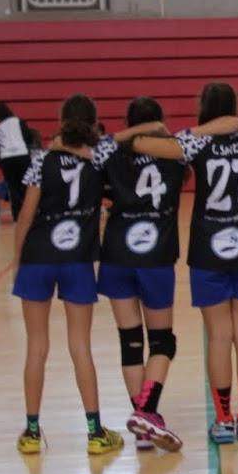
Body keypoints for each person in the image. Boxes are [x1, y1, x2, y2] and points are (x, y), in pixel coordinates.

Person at [131, 83, 238, 446]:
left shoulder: (194, 143)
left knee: (219, 337)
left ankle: (224, 420)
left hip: (208, 250)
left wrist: (199, 130)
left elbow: (141, 143)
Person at [10, 113, 124, 457]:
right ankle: (94, 432)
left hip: (38, 256)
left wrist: (17, 260)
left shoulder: (41, 160)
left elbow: (26, 214)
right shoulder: (100, 159)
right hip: (77, 259)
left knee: (36, 347)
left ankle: (31, 431)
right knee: (81, 347)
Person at [95, 96, 188, 454]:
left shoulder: (110, 151)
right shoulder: (176, 151)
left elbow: (101, 144)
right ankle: (147, 411)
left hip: (117, 252)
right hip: (156, 255)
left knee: (130, 342)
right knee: (163, 342)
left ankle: (143, 427)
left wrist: (127, 135)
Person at [0, 102, 31, 221]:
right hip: (22, 155)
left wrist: (1, 164)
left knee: (13, 188)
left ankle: (16, 216)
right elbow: (28, 137)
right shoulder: (18, 121)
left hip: (6, 158)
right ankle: (29, 214)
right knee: (27, 186)